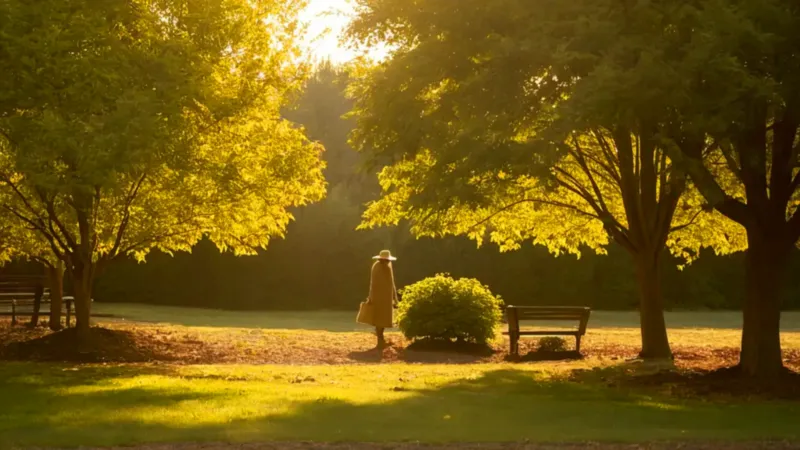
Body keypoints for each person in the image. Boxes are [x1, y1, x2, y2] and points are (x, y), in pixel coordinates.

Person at [366, 249, 398, 347]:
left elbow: (391, 282)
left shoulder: (388, 266)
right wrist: (371, 296)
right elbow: (373, 283)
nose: (387, 261)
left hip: (387, 297)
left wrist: (394, 297)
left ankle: (381, 339)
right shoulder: (376, 267)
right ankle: (380, 339)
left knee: (385, 319)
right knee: (379, 318)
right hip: (378, 296)